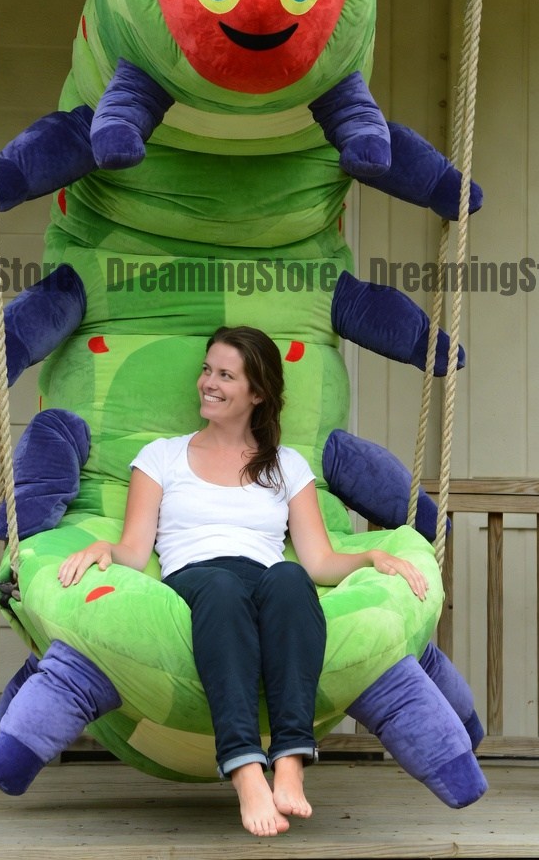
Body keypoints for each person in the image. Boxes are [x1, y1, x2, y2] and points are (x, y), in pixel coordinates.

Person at [58, 325, 428, 837]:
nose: (209, 383)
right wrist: (105, 549)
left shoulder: (286, 465)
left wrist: (369, 557)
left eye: (225, 375)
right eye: (207, 370)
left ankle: (290, 762)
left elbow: (319, 561)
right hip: (198, 579)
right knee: (223, 588)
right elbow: (135, 550)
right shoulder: (162, 457)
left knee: (291, 578)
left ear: (257, 393)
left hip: (264, 579)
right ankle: (246, 770)